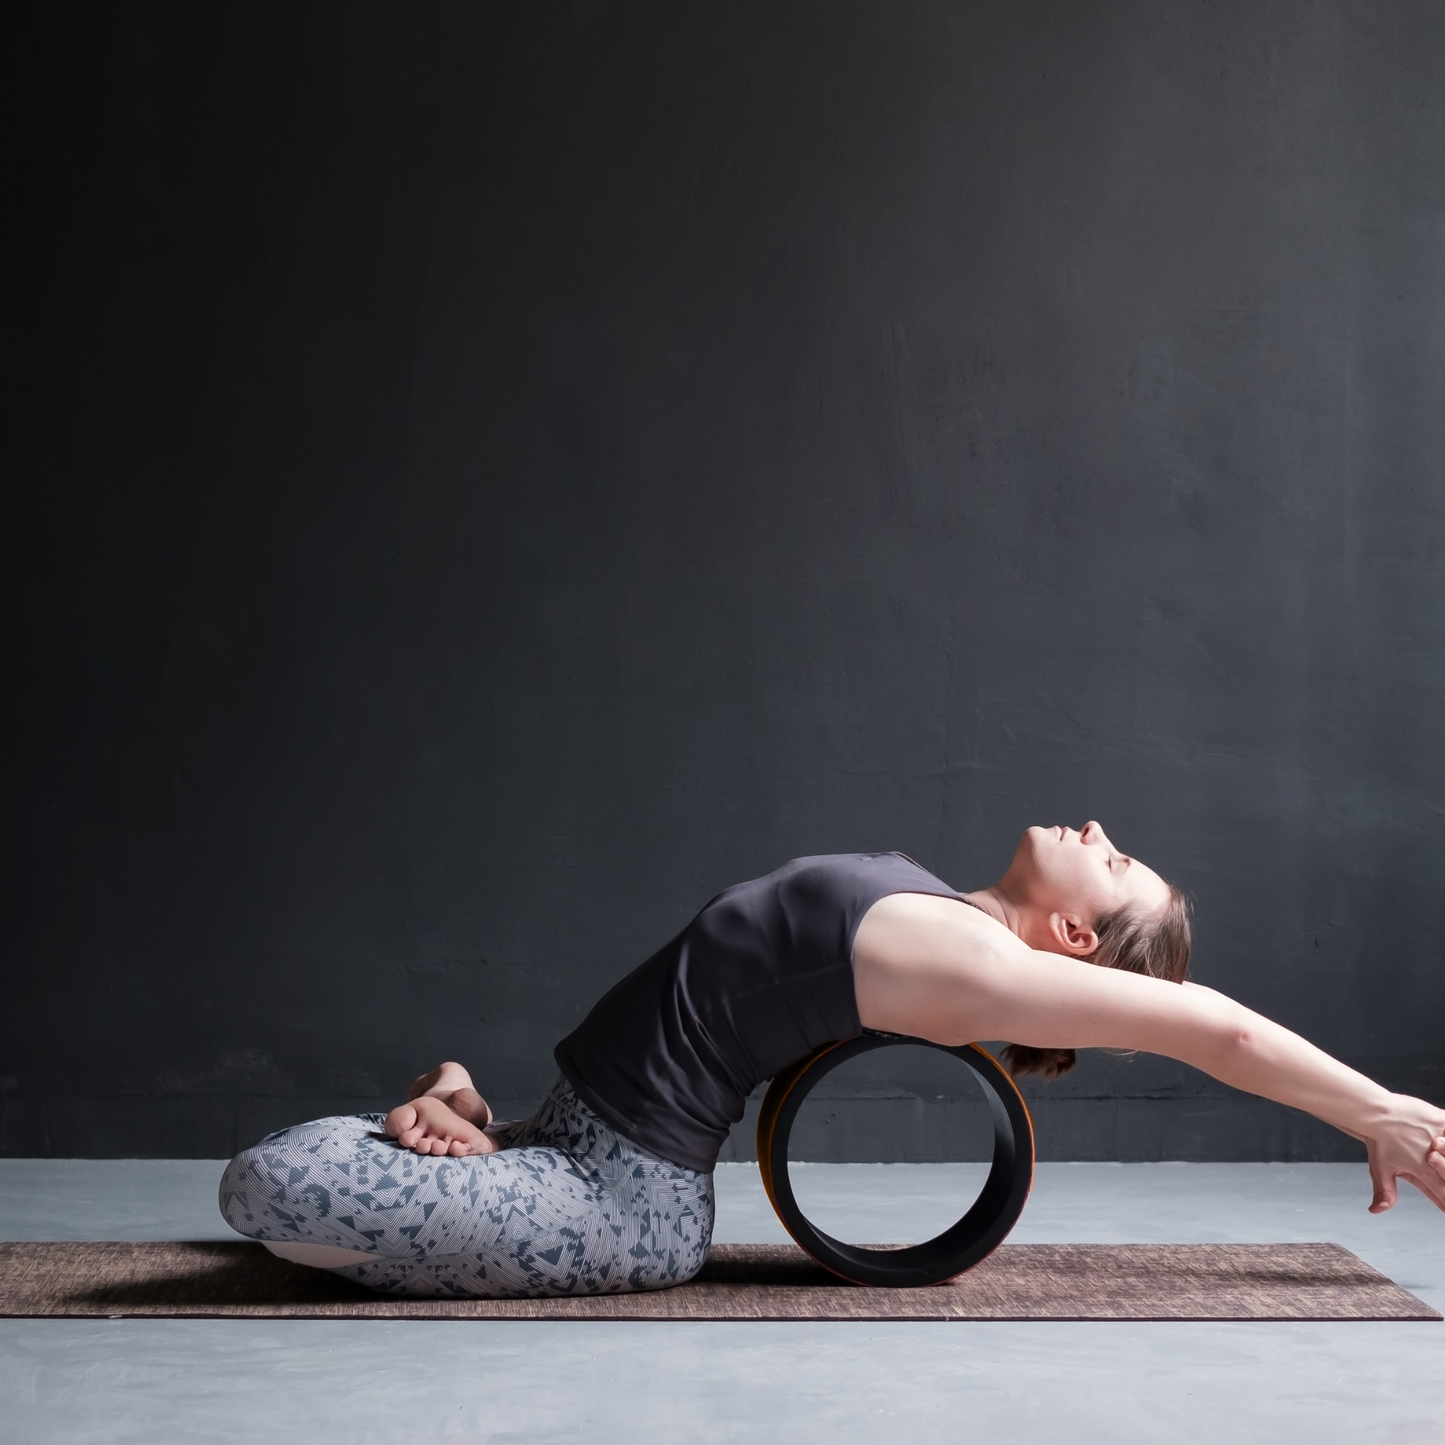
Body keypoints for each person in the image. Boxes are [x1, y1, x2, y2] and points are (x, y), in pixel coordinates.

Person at [219, 823, 1445, 1298]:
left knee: (267, 1184)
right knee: (316, 1175)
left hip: (616, 1208)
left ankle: (419, 1182)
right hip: (569, 1150)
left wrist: (1383, 1112)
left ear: (1077, 938)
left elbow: (1218, 1028)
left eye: (1116, 864)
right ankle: (461, 1119)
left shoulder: (978, 969)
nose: (1100, 835)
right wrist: (465, 1103)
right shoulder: (940, 912)